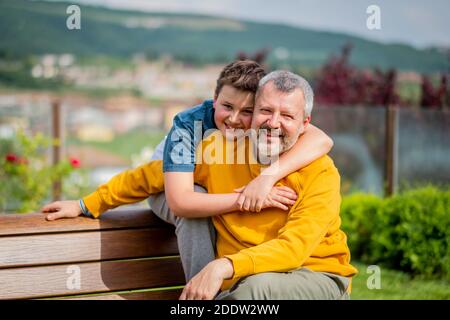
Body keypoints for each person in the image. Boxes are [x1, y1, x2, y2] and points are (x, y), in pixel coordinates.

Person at [43, 70, 357, 300]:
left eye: (286, 115)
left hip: (314, 275)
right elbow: (147, 176)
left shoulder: (321, 172)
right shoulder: (219, 149)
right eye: (264, 111)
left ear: (305, 124)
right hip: (243, 275)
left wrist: (222, 266)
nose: (273, 123)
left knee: (253, 294)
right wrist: (86, 205)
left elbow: (294, 250)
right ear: (253, 113)